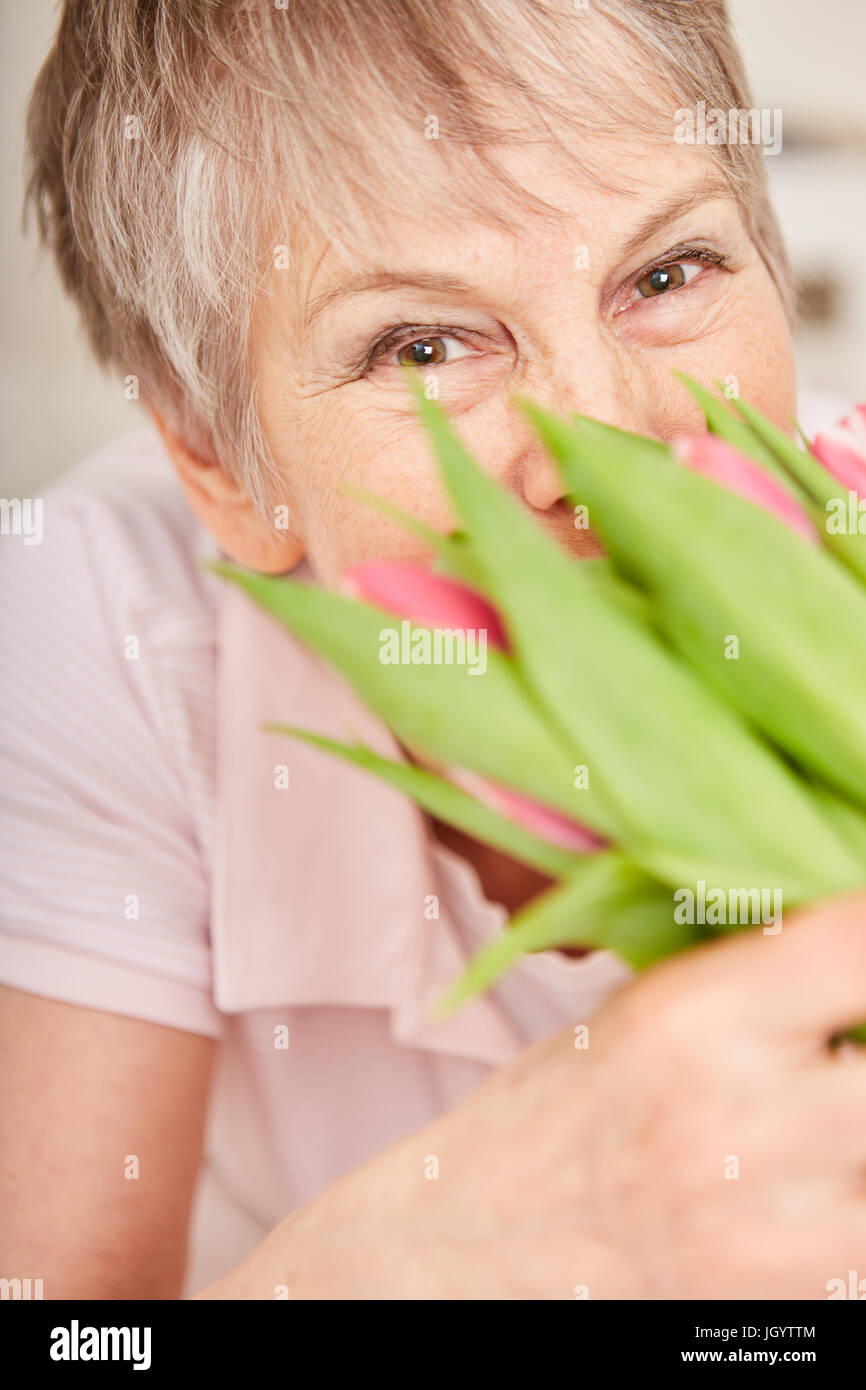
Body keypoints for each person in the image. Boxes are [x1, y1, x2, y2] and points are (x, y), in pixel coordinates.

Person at [1, 0, 864, 1299]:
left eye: (667, 274)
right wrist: (434, 1246)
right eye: (421, 346)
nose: (604, 451)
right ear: (215, 462)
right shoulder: (105, 623)